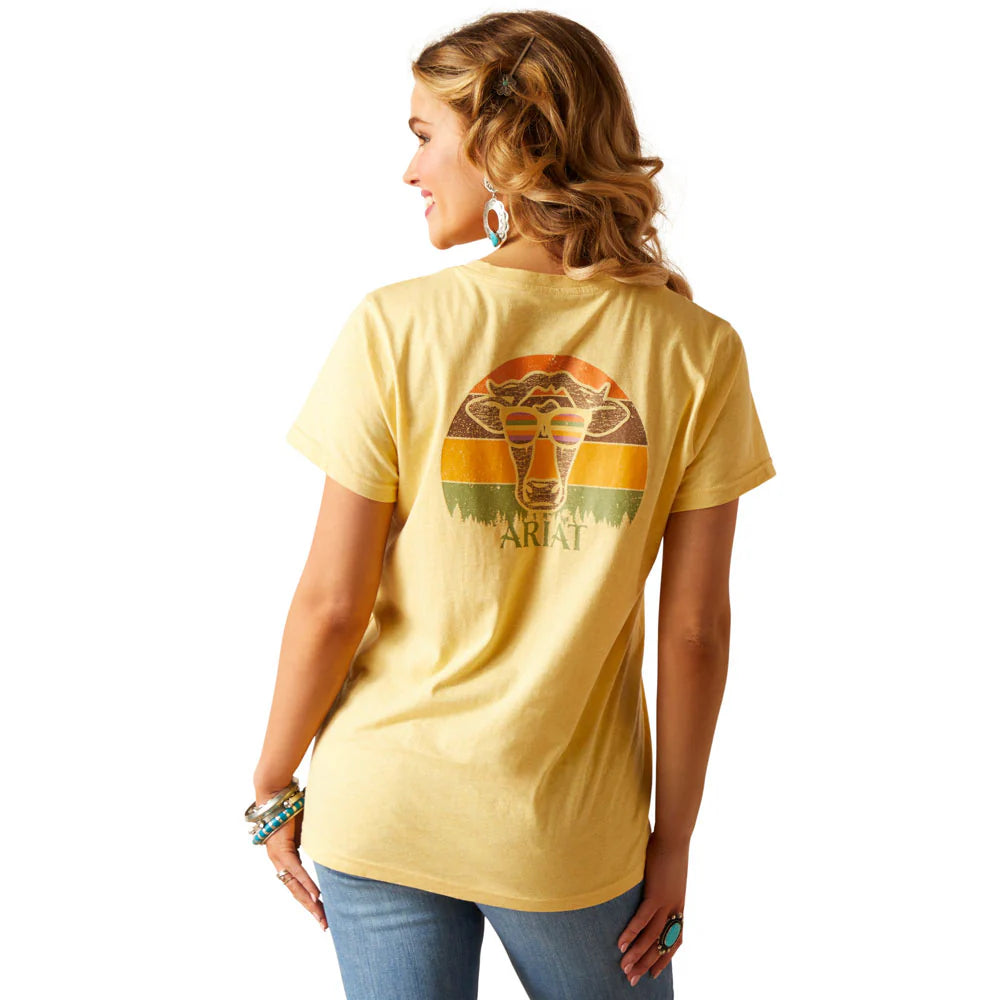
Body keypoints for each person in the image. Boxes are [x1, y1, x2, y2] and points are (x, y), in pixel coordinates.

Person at [246, 10, 776, 999]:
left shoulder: (395, 327)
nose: (409, 170)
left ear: (501, 143)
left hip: (385, 801)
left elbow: (330, 602)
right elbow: (695, 630)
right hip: (563, 827)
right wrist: (672, 844)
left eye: (423, 135)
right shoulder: (697, 349)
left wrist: (272, 785)